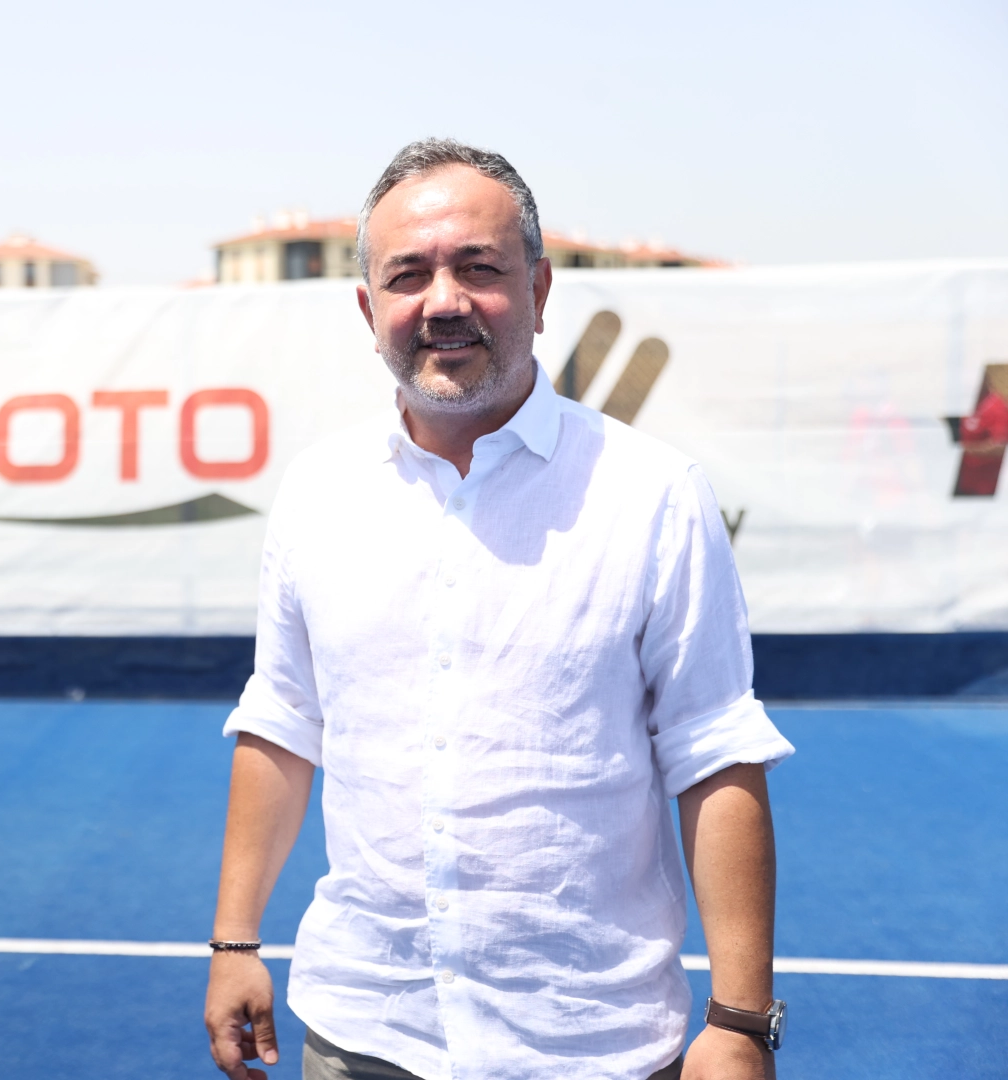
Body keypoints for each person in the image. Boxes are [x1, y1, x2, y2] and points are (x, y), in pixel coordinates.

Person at [203, 138, 794, 1080]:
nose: (443, 301)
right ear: (369, 309)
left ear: (540, 290)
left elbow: (714, 751)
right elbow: (283, 720)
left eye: (479, 268)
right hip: (362, 1029)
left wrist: (740, 1021)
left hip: (588, 1042)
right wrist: (235, 940)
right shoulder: (318, 492)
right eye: (408, 276)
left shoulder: (653, 493)